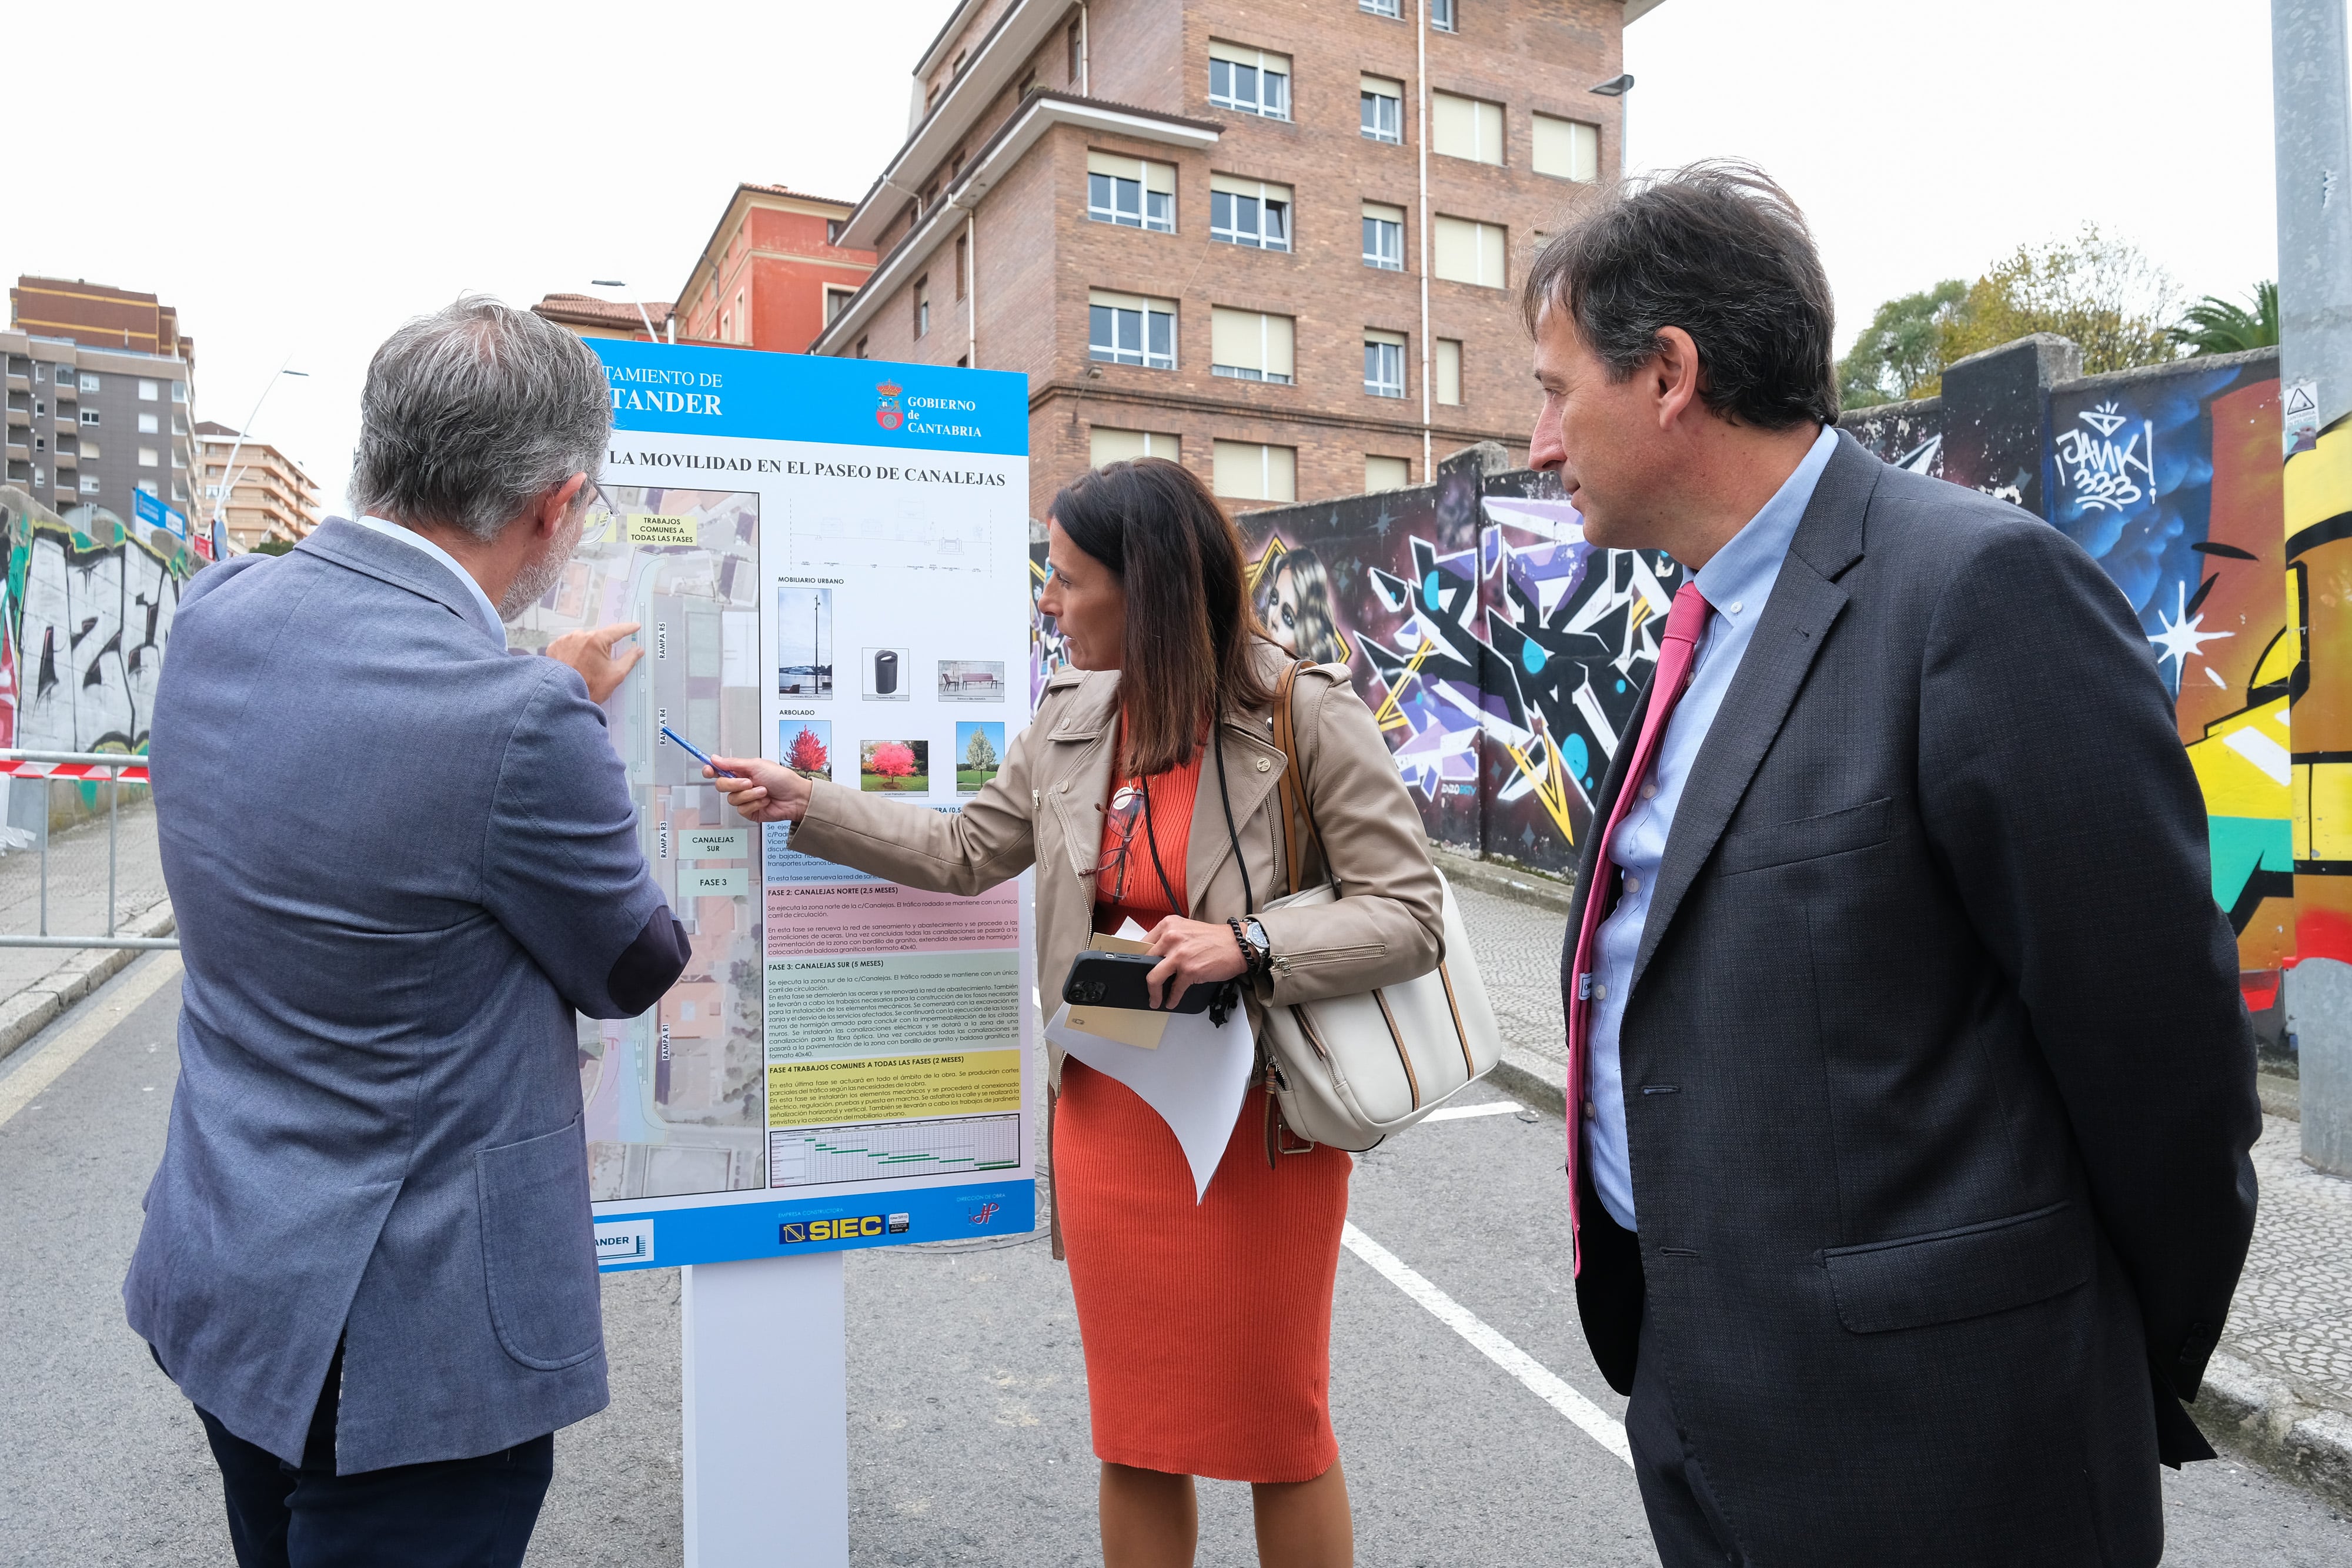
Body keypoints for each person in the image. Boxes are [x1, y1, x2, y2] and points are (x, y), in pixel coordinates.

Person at [1531, 163, 2261, 1566]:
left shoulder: (1975, 592)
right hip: (1700, 1405)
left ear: (1669, 373)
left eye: (1555, 386)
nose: (1536, 435)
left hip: (1949, 1450)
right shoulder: (1688, 629)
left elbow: (2158, 1054)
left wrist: (2100, 1354)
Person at [706, 458, 1442, 1568]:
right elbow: (964, 850)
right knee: (1137, 1431)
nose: (1047, 601)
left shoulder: (1296, 712)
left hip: (1255, 1131)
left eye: (1064, 576)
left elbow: (1410, 914)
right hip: (1109, 1117)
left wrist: (1246, 945)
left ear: (1142, 589)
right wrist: (806, 803)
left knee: (1278, 1426)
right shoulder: (1067, 719)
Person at [125, 297, 688, 1568]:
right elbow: (632, 963)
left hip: (229, 1274)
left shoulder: (216, 612)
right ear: (555, 503)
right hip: (407, 1351)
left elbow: (367, 746)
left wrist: (538, 674)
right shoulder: (522, 725)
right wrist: (565, 713)